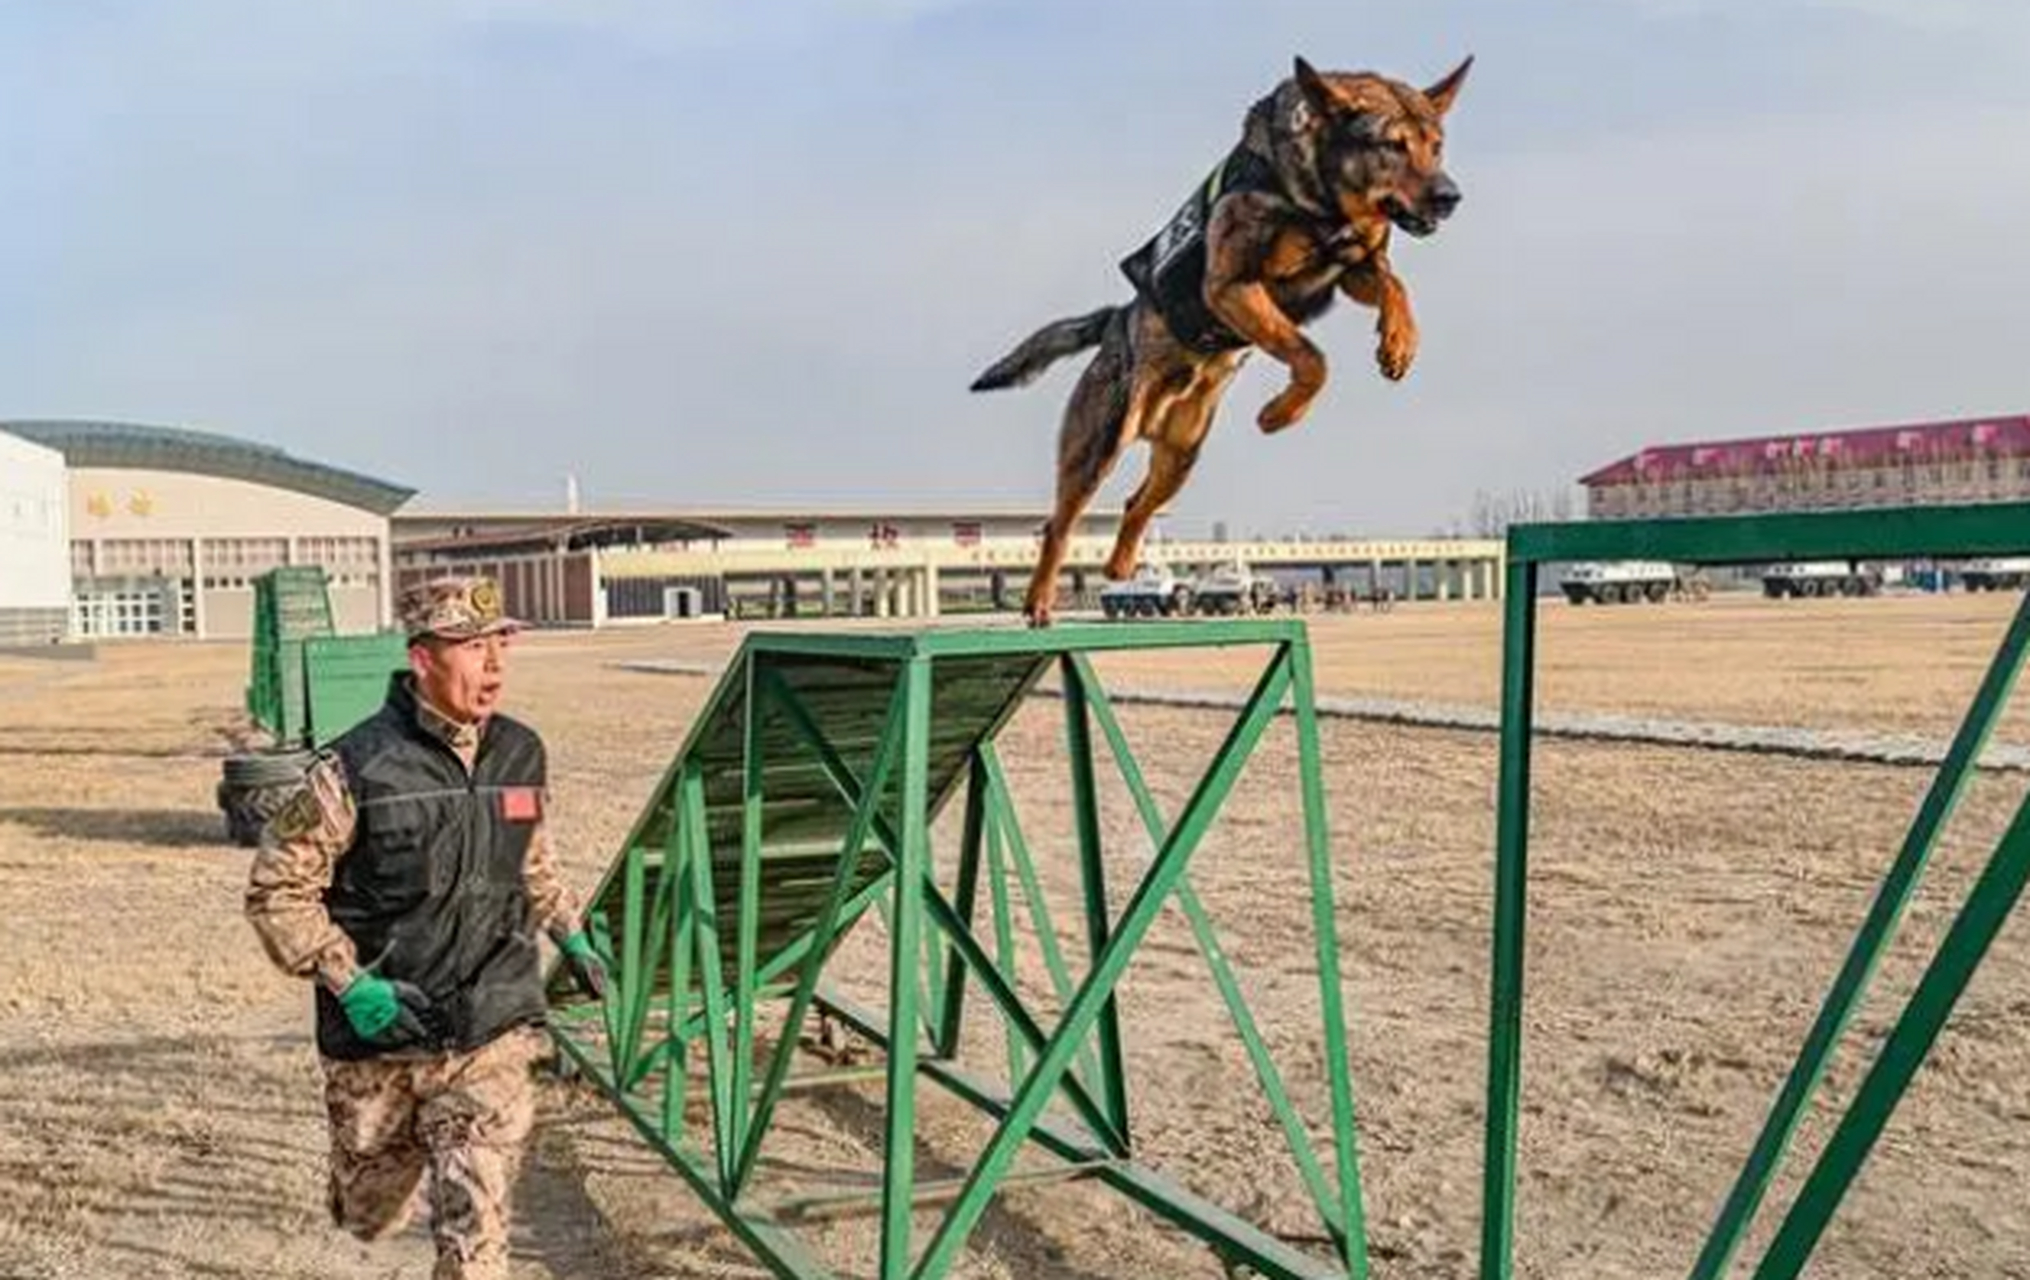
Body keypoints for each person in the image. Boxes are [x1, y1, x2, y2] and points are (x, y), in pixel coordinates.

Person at [244, 574, 608, 1280]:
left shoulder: (520, 753)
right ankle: (369, 1181)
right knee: (368, 1210)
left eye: (500, 641)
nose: (494, 663)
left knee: (476, 1227)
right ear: (422, 658)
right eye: (471, 646)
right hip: (381, 1037)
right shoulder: (355, 767)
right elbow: (277, 892)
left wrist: (572, 931)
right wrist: (349, 985)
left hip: (489, 1027)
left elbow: (530, 861)